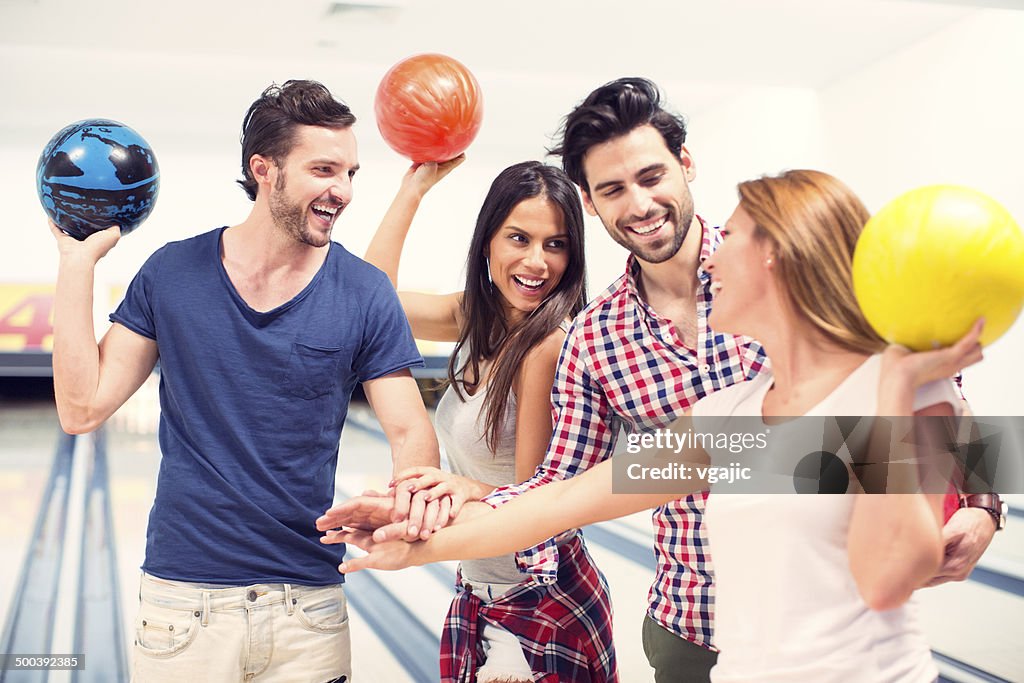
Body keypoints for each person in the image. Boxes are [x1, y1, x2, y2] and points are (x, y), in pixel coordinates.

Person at [319, 77, 999, 682]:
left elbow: (915, 500)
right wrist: (415, 540)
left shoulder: (849, 350)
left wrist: (980, 502)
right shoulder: (707, 415)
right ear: (590, 201)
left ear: (686, 166)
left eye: (652, 176)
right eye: (613, 189)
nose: (640, 204)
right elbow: (562, 496)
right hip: (695, 625)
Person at [48, 79, 440, 682]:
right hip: (183, 604)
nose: (343, 190)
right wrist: (76, 264)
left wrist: (406, 503)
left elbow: (411, 429)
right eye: (324, 169)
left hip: (308, 607)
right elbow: (81, 409)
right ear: (265, 169)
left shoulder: (364, 292)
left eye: (352, 173)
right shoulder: (172, 273)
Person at [360, 158, 614, 682]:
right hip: (481, 588)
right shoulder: (474, 317)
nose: (538, 262)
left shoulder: (546, 346)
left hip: (536, 598)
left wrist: (452, 490)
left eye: (556, 244)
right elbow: (370, 299)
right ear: (487, 244)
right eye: (518, 238)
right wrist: (414, 190)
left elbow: (535, 499)